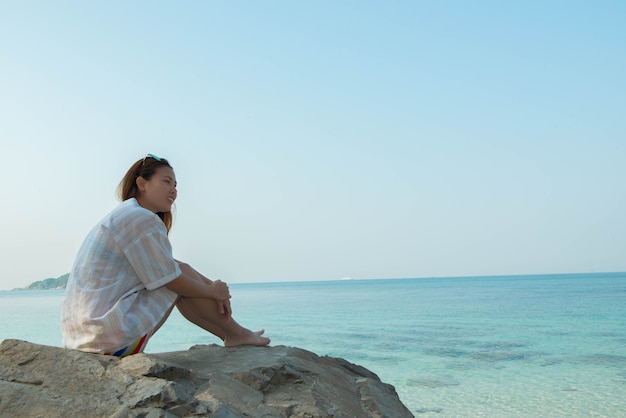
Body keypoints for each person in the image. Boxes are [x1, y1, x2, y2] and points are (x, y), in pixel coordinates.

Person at [62, 153, 270, 357]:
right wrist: (214, 292)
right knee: (177, 280)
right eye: (166, 182)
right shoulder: (140, 218)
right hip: (107, 343)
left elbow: (172, 268)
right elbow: (172, 279)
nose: (173, 191)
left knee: (180, 271)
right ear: (142, 183)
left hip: (84, 340)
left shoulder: (126, 214)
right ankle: (237, 334)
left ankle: (235, 335)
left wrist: (216, 289)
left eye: (176, 185)